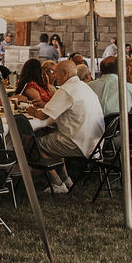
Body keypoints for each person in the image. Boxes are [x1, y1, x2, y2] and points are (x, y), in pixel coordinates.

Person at [27, 60, 105, 193]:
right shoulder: (83, 86)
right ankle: (65, 178)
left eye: (55, 72)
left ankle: (57, 183)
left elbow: (43, 116)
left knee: (35, 143)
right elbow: (64, 107)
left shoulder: (66, 89)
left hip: (78, 143)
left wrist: (32, 111)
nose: (53, 76)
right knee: (54, 139)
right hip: (95, 143)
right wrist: (45, 105)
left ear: (64, 73)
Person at [89, 56, 132, 123]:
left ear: (100, 71)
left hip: (93, 131)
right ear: (120, 70)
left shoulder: (88, 86)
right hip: (120, 131)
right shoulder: (127, 87)